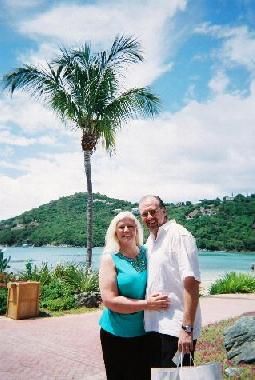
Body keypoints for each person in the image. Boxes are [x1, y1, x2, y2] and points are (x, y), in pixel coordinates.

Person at [99, 211, 169, 380]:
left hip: (146, 332)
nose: (126, 230)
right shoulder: (110, 259)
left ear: (137, 230)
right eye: (121, 226)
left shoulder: (147, 253)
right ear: (115, 231)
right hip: (116, 334)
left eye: (131, 226)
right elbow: (110, 300)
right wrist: (147, 304)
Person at [139, 195, 202, 369]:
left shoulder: (179, 235)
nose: (150, 217)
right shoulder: (151, 241)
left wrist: (186, 329)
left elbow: (192, 282)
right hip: (154, 326)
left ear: (164, 211)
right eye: (145, 214)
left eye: (153, 211)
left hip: (176, 329)